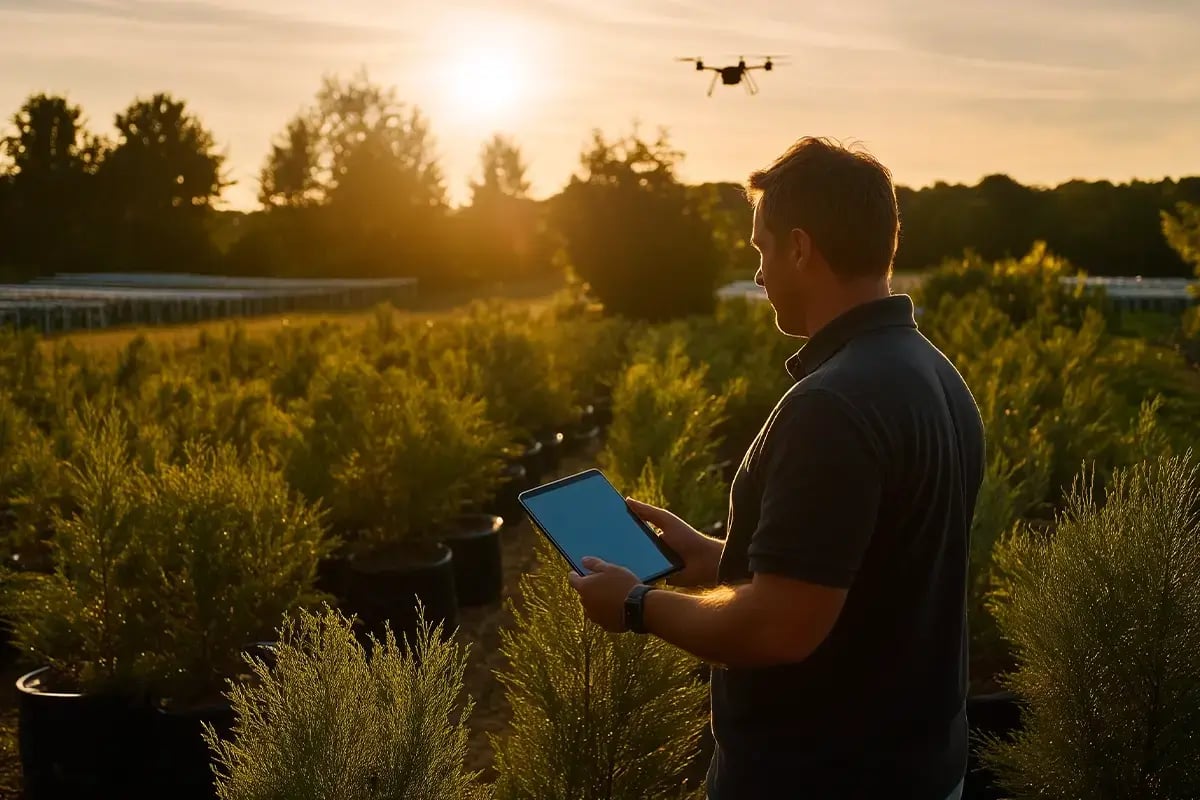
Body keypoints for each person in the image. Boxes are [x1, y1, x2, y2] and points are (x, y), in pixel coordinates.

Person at [568, 136, 985, 799]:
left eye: (761, 250)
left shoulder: (833, 405)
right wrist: (716, 558)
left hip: (822, 778)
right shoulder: (934, 373)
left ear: (798, 248)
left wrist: (636, 604)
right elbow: (865, 573)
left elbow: (779, 627)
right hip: (920, 768)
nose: (759, 275)